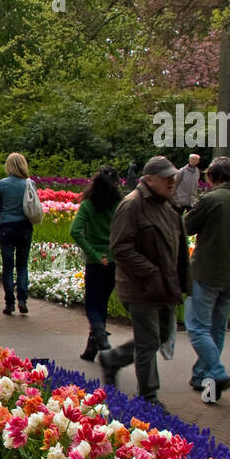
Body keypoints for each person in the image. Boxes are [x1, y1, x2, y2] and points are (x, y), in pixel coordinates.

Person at [96, 156, 190, 412]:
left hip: (163, 286)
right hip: (140, 287)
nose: (172, 181)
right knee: (148, 342)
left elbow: (177, 247)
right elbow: (121, 247)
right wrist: (150, 272)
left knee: (156, 338)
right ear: (149, 179)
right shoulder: (132, 206)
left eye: (173, 176)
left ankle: (112, 359)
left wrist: (180, 280)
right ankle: (148, 396)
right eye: (166, 177)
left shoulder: (167, 206)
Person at [182, 156, 230, 401]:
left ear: (212, 177)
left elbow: (187, 226)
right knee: (217, 330)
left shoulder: (210, 199)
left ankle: (216, 371)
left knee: (197, 328)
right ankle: (204, 381)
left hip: (206, 272)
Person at [70, 167, 121, 361]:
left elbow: (75, 231)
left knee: (92, 306)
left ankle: (101, 340)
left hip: (95, 261)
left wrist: (93, 252)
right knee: (102, 304)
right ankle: (92, 347)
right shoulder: (119, 204)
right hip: (115, 260)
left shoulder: (88, 205)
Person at [0, 152, 34, 315]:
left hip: (7, 227)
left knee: (8, 266)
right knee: (23, 264)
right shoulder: (29, 183)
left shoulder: (2, 184)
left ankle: (9, 303)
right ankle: (23, 300)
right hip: (24, 226)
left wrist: (5, 218)